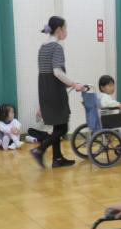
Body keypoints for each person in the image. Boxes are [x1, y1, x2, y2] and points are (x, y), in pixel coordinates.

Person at [31, 16, 85, 169]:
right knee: (63, 128)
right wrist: (74, 84)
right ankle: (39, 150)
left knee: (57, 125)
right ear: (59, 30)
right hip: (55, 90)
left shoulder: (43, 47)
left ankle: (57, 159)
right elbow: (57, 72)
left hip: (45, 88)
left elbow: (46, 73)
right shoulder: (56, 47)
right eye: (65, 28)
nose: (66, 32)